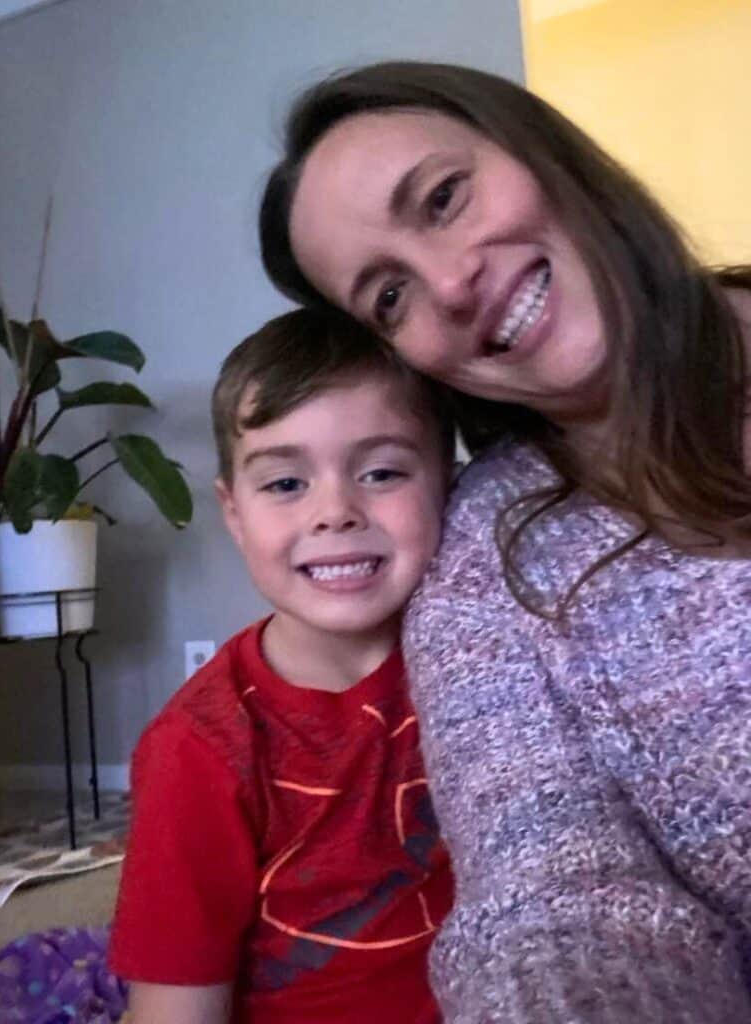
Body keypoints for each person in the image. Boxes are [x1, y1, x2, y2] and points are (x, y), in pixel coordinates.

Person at [258, 61, 751, 1022]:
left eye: (444, 198)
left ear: (543, 148)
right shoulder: (489, 571)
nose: (449, 284)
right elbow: (553, 902)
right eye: (389, 296)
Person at [108, 307, 455, 1024]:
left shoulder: (495, 664)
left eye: (382, 472)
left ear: (446, 485)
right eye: (286, 484)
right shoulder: (197, 751)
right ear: (234, 513)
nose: (335, 512)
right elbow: (176, 1008)